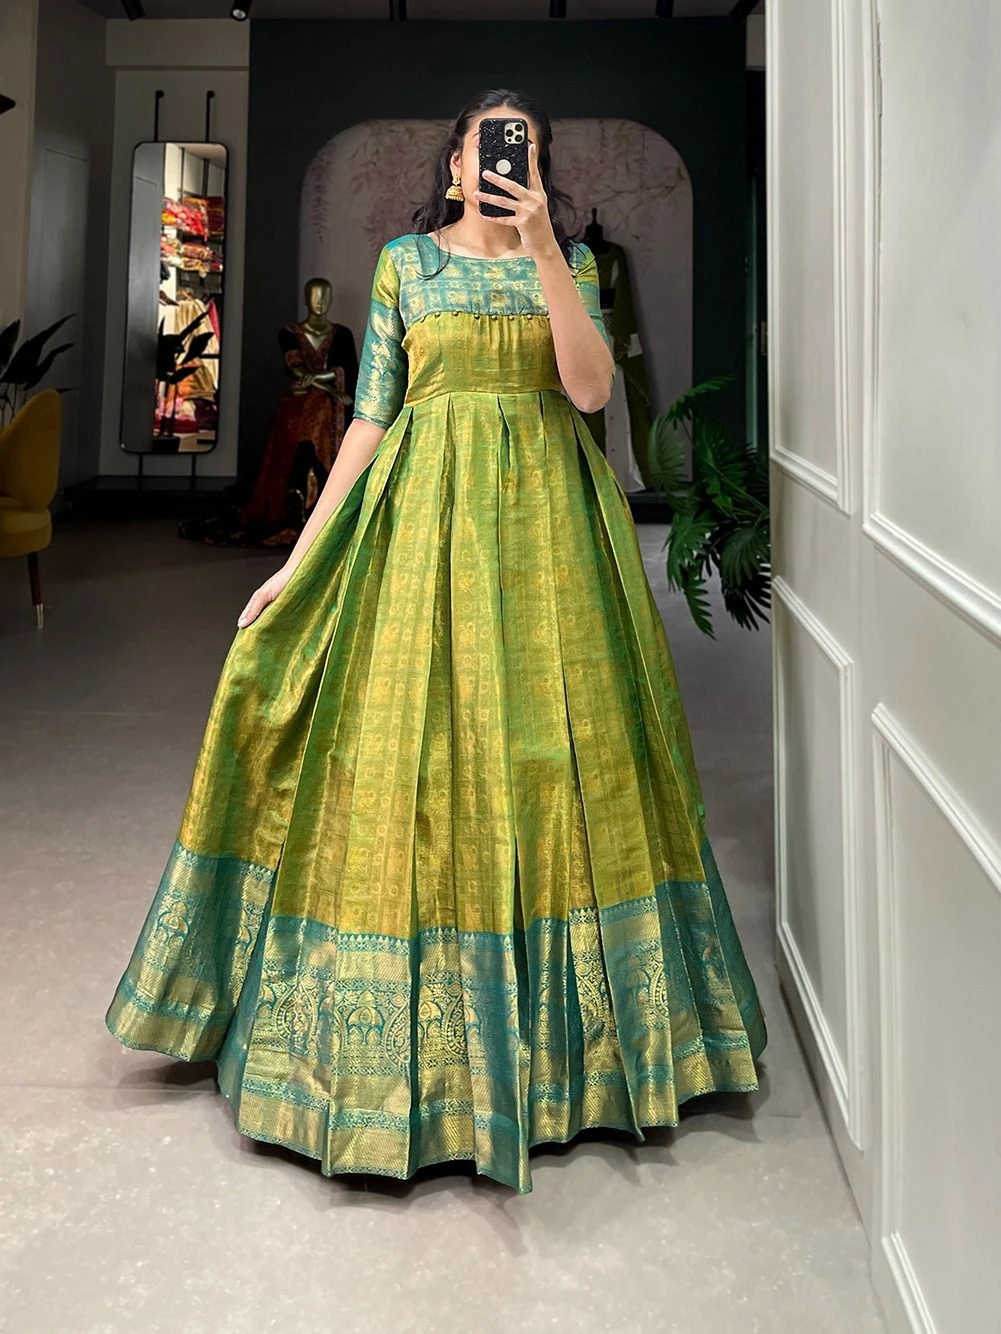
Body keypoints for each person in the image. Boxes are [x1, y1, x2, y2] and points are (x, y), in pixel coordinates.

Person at [106, 88, 767, 1195]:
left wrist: (545, 248)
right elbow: (370, 417)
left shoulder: (572, 264)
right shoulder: (404, 265)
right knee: (412, 761)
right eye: (484, 147)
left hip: (554, 539)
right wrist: (297, 559)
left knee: (560, 765)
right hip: (422, 533)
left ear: (537, 169)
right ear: (453, 164)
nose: (500, 163)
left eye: (524, 151)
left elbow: (589, 393)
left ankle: (583, 1053)